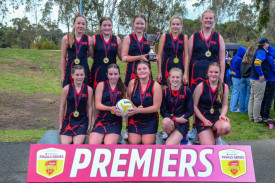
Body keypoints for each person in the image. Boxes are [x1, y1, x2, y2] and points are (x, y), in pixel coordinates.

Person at [188, 9, 225, 93]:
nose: (208, 20)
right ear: (202, 20)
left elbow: (222, 60)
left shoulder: (218, 37)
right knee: (195, 97)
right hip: (196, 74)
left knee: (210, 97)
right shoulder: (194, 37)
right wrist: (186, 74)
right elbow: (188, 58)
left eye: (211, 18)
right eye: (206, 18)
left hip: (213, 75)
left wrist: (221, 76)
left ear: (214, 20)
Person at [193, 62, 231, 145]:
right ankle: (200, 134)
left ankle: (216, 137)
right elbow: (194, 106)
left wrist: (223, 115)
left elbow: (224, 105)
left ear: (220, 73)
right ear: (207, 73)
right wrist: (204, 120)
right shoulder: (201, 86)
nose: (213, 74)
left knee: (226, 127)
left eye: (216, 72)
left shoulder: (225, 87)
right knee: (209, 147)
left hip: (216, 117)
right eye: (211, 72)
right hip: (203, 118)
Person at [89, 64, 126, 144]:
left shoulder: (122, 87)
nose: (113, 76)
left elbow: (124, 104)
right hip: (102, 119)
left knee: (108, 145)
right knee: (93, 144)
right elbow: (97, 105)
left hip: (115, 121)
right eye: (111, 74)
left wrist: (123, 113)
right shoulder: (101, 85)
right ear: (107, 75)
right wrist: (111, 108)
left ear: (119, 74)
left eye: (115, 74)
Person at [127, 61, 162, 144]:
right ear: (136, 72)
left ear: (149, 71)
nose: (142, 71)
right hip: (135, 119)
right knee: (134, 143)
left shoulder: (156, 86)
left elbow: (156, 107)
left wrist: (138, 110)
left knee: (147, 144)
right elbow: (128, 99)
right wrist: (129, 110)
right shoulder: (132, 83)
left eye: (144, 68)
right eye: (139, 69)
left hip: (150, 119)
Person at [59, 65, 93, 144]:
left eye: (81, 75)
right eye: (77, 75)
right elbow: (62, 106)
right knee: (65, 145)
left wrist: (90, 123)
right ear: (72, 75)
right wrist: (61, 124)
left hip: (82, 121)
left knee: (77, 145)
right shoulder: (66, 88)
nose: (79, 77)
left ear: (84, 75)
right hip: (68, 121)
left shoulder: (89, 89)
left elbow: (90, 107)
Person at [160, 68, 193, 145]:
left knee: (169, 145)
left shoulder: (186, 91)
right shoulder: (165, 92)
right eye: (173, 77)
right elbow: (163, 112)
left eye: (177, 77)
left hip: (182, 122)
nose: (175, 79)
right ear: (169, 78)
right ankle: (170, 135)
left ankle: (184, 137)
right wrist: (176, 119)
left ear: (181, 78)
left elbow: (190, 110)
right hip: (171, 121)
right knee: (165, 121)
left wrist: (183, 118)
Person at [89, 17, 122, 90]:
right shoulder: (94, 38)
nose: (107, 27)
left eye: (109, 25)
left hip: (112, 71)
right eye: (104, 25)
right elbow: (92, 55)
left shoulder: (117, 39)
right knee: (96, 92)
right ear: (100, 27)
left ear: (112, 26)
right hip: (98, 70)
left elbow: (121, 57)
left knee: (111, 91)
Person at [60, 14, 92, 87]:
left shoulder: (89, 39)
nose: (81, 26)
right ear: (73, 24)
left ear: (86, 26)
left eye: (83, 24)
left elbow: (91, 54)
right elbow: (63, 58)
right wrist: (62, 75)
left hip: (84, 70)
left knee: (85, 92)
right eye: (78, 23)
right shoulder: (66, 38)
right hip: (70, 70)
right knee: (69, 93)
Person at [157, 15, 189, 88]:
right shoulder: (164, 36)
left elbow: (187, 56)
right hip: (166, 66)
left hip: (179, 66)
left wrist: (186, 73)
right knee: (165, 89)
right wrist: (159, 72)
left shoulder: (184, 37)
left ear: (181, 25)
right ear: (170, 25)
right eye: (173, 24)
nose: (175, 26)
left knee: (179, 89)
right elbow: (159, 54)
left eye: (178, 24)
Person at [121, 13, 151, 87]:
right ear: (133, 24)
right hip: (132, 70)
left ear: (145, 25)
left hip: (146, 69)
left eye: (142, 24)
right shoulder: (128, 38)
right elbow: (124, 58)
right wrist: (139, 57)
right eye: (137, 23)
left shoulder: (149, 38)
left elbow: (153, 54)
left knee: (147, 93)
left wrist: (153, 57)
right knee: (131, 94)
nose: (139, 26)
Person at [248, 38, 271, 123]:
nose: (268, 45)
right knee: (258, 99)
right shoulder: (262, 52)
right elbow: (257, 62)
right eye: (268, 44)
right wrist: (261, 74)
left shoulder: (257, 50)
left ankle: (251, 117)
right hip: (258, 79)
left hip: (253, 78)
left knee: (252, 98)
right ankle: (257, 118)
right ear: (265, 44)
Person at [239, 45, 256, 113]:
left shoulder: (244, 58)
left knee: (242, 94)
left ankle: (241, 109)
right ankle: (246, 109)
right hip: (249, 77)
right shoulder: (253, 60)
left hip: (243, 77)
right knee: (248, 94)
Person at [229, 46, 247, 112]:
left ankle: (231, 107)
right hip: (237, 77)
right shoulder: (239, 59)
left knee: (234, 92)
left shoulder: (235, 57)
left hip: (233, 76)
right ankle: (233, 108)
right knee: (236, 92)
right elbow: (240, 69)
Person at [260, 46, 275, 121]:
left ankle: (262, 113)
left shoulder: (267, 56)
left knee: (265, 98)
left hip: (267, 80)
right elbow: (273, 69)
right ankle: (266, 115)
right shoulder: (271, 58)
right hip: (272, 80)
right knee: (269, 99)